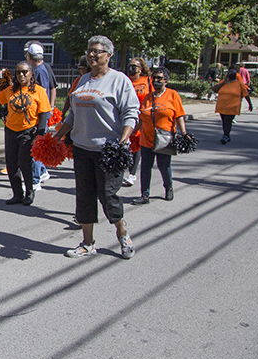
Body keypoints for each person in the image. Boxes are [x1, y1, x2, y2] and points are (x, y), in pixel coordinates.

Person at [54, 35, 138, 259]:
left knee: (108, 196)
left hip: (108, 151)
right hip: (82, 148)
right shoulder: (83, 81)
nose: (91, 54)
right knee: (84, 196)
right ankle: (87, 242)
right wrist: (56, 137)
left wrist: (122, 141)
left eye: (97, 51)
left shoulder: (119, 81)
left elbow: (131, 114)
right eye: (89, 50)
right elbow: (72, 115)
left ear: (108, 55)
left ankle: (122, 233)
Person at [0, 61, 50, 206]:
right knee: (11, 164)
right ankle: (17, 194)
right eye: (18, 72)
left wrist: (39, 134)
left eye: (24, 72)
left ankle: (29, 192)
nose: (21, 75)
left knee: (24, 163)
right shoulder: (11, 90)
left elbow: (45, 113)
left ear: (31, 74)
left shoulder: (39, 91)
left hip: (28, 131)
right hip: (11, 130)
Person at [132, 67, 186, 205]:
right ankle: (144, 195)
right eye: (154, 78)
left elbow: (179, 116)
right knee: (145, 167)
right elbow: (142, 117)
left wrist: (184, 133)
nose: (156, 81)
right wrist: (131, 132)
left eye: (159, 78)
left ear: (166, 80)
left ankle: (168, 186)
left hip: (164, 138)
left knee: (164, 166)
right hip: (147, 138)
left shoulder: (173, 95)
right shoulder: (148, 97)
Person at [25, 42, 55, 190]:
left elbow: (41, 94)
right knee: (38, 145)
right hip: (41, 113)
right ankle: (42, 172)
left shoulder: (40, 71)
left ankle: (35, 180)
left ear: (30, 57)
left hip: (40, 114)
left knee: (35, 146)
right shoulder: (42, 69)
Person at [123, 57, 151, 187]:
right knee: (125, 141)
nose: (132, 68)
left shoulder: (147, 81)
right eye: (130, 66)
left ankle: (132, 174)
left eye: (135, 66)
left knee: (136, 144)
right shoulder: (125, 80)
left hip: (141, 115)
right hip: (126, 114)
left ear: (141, 69)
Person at [212, 67, 253, 144]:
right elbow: (214, 89)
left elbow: (246, 95)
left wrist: (250, 104)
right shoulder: (223, 83)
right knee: (224, 121)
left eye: (233, 74)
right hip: (222, 106)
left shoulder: (239, 84)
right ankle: (227, 135)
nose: (231, 75)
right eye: (230, 73)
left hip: (233, 106)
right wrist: (224, 82)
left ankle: (225, 135)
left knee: (228, 121)